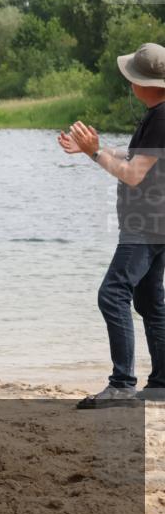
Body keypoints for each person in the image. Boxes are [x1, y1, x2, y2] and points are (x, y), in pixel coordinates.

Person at [58, 42, 165, 408]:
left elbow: (134, 174)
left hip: (148, 226)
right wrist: (95, 147)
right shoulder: (158, 113)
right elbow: (138, 157)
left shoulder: (162, 115)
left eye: (131, 77)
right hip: (156, 225)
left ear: (144, 84)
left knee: (112, 295)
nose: (128, 83)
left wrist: (94, 153)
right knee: (149, 299)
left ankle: (122, 384)